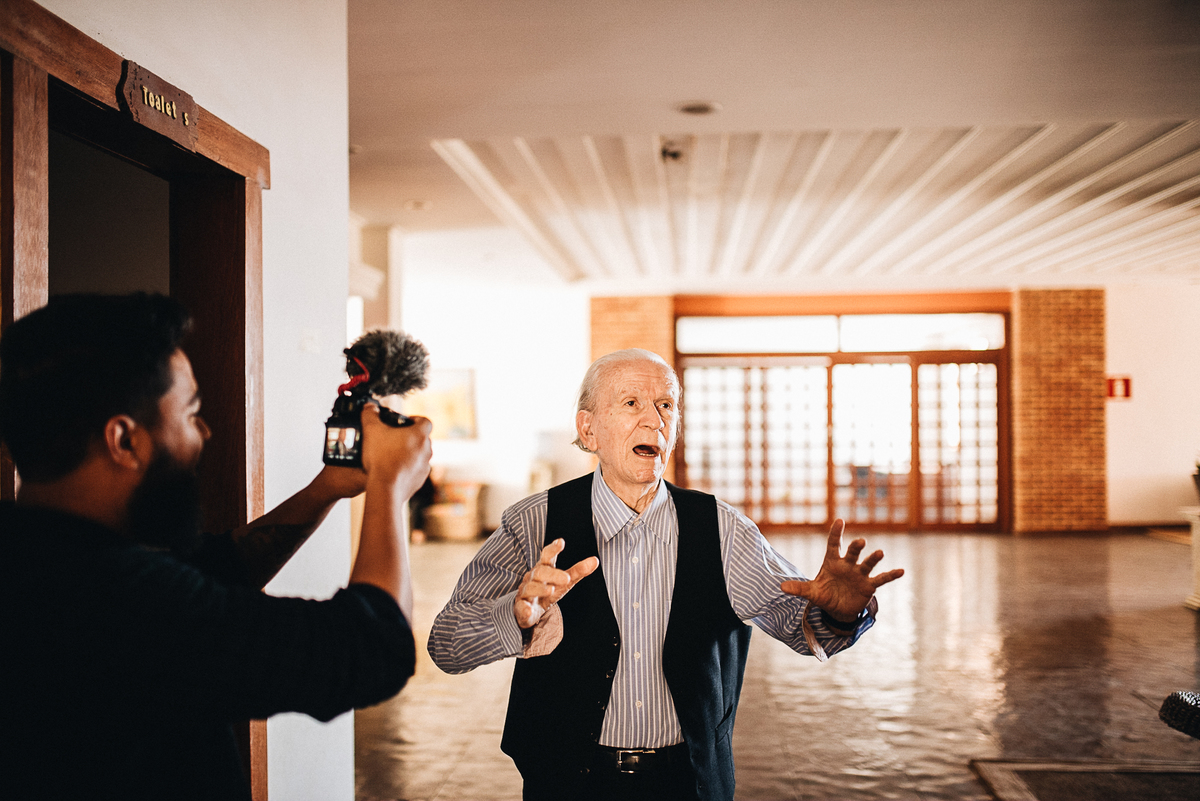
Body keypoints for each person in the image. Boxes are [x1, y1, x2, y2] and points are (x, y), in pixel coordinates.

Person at [0, 293, 432, 800]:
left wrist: (326, 489)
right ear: (124, 440)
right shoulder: (122, 602)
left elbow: (212, 568)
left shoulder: (38, 558)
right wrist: (389, 485)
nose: (203, 431)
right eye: (191, 413)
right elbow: (368, 650)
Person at [429, 348, 904, 801]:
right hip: (566, 782)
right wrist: (513, 619)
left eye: (665, 405)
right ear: (588, 429)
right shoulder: (532, 522)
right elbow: (446, 644)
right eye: (631, 403)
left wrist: (841, 616)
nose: (653, 419)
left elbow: (803, 628)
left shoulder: (722, 528)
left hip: (690, 783)